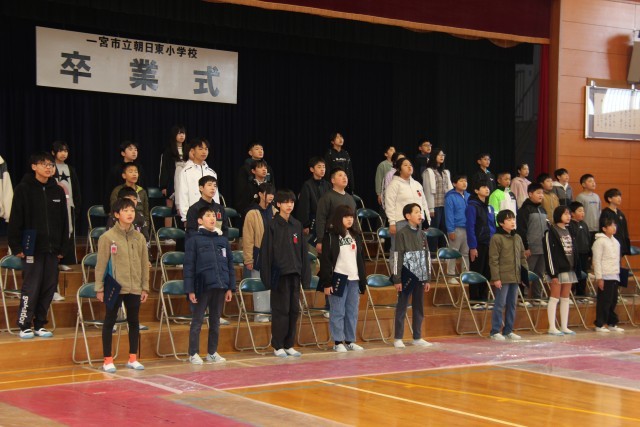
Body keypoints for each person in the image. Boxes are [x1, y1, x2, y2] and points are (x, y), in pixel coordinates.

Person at [8, 152, 69, 339]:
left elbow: (64, 221)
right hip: (32, 248)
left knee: (49, 287)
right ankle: (24, 324)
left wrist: (62, 248)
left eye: (51, 165)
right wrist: (16, 246)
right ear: (34, 167)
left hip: (52, 249)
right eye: (44, 164)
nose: (48, 167)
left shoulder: (57, 190)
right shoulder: (23, 189)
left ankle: (40, 324)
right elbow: (15, 219)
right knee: (31, 288)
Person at [95, 198, 149, 372]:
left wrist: (145, 287)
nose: (130, 214)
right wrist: (99, 288)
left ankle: (133, 358)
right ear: (117, 215)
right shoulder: (107, 237)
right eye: (125, 211)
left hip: (134, 286)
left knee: (134, 321)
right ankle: (108, 360)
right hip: (115, 286)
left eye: (132, 210)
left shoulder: (139, 237)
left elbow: (144, 263)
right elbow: (101, 264)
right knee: (110, 321)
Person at [260, 189, 311, 357]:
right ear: (278, 204)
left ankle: (289, 344)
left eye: (292, 202)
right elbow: (266, 252)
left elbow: (303, 252)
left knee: (294, 310)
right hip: (279, 275)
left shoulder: (296, 224)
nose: (289, 205)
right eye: (286, 202)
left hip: (294, 273)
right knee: (280, 310)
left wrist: (305, 275)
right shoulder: (272, 225)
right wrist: (267, 277)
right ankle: (278, 345)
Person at [184, 206, 235, 364]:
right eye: (208, 215)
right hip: (201, 287)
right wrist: (190, 290)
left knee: (215, 321)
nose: (212, 218)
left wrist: (230, 287)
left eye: (214, 215)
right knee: (197, 321)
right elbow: (189, 267)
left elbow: (229, 264)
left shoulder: (222, 240)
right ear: (200, 220)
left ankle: (212, 352)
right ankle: (193, 353)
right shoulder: (194, 240)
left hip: (220, 286)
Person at [319, 205, 367, 352]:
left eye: (351, 217)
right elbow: (326, 261)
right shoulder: (330, 236)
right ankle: (338, 342)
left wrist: (362, 279)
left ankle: (350, 340)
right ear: (339, 218)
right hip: (338, 278)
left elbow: (361, 259)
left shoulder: (356, 235)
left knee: (352, 311)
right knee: (338, 311)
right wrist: (327, 283)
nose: (349, 219)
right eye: (346, 217)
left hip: (354, 278)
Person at [391, 203, 432, 348]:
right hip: (407, 276)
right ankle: (398, 337)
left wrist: (427, 278)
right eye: (416, 212)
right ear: (408, 216)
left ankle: (417, 336)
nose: (420, 215)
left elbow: (427, 256)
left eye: (420, 212)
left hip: (420, 276)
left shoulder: (422, 234)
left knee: (418, 306)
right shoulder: (402, 234)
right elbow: (398, 256)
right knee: (402, 306)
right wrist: (397, 278)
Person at [489, 209, 528, 340]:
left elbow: (522, 257)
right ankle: (495, 331)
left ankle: (508, 330)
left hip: (515, 276)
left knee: (512, 304)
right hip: (503, 277)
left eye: (513, 219)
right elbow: (493, 260)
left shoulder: (517, 237)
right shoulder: (496, 238)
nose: (512, 222)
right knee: (500, 304)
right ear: (501, 223)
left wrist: (524, 275)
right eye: (508, 219)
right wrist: (496, 278)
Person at [543, 206, 578, 336]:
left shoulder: (569, 230)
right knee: (554, 298)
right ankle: (552, 327)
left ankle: (564, 326)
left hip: (569, 269)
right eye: (565, 214)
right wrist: (553, 274)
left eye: (569, 214)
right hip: (557, 271)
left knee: (565, 298)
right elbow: (549, 254)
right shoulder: (551, 232)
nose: (568, 216)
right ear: (558, 215)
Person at [384, 157, 429, 256]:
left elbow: (423, 203)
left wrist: (426, 219)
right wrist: (392, 222)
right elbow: (389, 204)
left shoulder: (417, 184)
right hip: (401, 222)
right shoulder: (394, 184)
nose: (409, 167)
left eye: (410, 165)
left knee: (416, 250)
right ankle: (396, 267)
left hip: (417, 222)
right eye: (405, 165)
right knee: (398, 250)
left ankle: (414, 267)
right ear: (399, 169)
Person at [516, 183, 548, 306]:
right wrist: (525, 247)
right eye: (538, 193)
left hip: (542, 248)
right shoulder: (525, 210)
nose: (541, 195)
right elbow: (521, 230)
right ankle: (522, 297)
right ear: (530, 194)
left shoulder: (542, 210)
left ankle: (537, 297)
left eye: (542, 193)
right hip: (530, 248)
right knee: (526, 272)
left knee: (539, 273)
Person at [465, 178, 496, 307]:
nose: (487, 189)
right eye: (483, 187)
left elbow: (492, 225)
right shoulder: (472, 206)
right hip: (478, 244)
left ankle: (484, 298)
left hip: (490, 243)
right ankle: (474, 300)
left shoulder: (490, 207)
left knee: (487, 272)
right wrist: (473, 247)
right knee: (476, 271)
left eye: (488, 187)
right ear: (476, 190)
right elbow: (470, 227)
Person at [51, 141, 81, 269]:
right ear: (53, 152)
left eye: (66, 151)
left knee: (69, 232)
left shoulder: (70, 169)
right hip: (54, 207)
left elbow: (76, 190)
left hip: (69, 206)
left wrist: (76, 207)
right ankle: (54, 261)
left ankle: (68, 261)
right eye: (60, 151)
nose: (64, 153)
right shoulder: (50, 168)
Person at [592, 217, 624, 333]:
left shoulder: (616, 242)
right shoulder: (599, 242)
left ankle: (611, 323)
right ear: (604, 228)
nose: (614, 227)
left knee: (613, 300)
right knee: (604, 301)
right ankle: (599, 324)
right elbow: (597, 260)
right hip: (605, 275)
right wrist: (599, 277)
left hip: (614, 274)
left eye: (615, 225)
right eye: (611, 225)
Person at [315, 168, 358, 254]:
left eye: (345, 175)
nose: (344, 178)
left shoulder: (350, 198)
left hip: (349, 238)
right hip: (332, 237)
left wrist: (356, 237)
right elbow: (321, 219)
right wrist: (320, 240)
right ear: (333, 180)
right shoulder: (327, 197)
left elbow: (355, 219)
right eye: (340, 175)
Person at [176, 138, 219, 224]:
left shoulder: (212, 172)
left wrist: (217, 215)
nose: (204, 152)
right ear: (192, 151)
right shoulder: (186, 172)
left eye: (206, 149)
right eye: (200, 149)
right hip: (193, 216)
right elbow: (183, 195)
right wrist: (185, 218)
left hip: (211, 218)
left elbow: (215, 196)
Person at [243, 183, 277, 279]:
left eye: (272, 193)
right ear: (260, 194)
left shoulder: (276, 212)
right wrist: (249, 259)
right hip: (258, 256)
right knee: (258, 285)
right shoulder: (252, 213)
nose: (271, 196)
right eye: (268, 193)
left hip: (273, 256)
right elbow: (248, 239)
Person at [295, 156, 331, 248]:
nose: (322, 169)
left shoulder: (328, 185)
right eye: (319, 167)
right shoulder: (307, 185)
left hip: (326, 221)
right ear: (312, 169)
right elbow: (304, 206)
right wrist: (305, 225)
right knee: (312, 248)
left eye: (324, 167)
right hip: (313, 222)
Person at [422, 147, 452, 250]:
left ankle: (443, 252)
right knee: (434, 230)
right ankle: (432, 253)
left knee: (444, 229)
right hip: (434, 206)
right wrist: (430, 208)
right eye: (440, 155)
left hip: (445, 205)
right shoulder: (429, 171)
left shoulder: (445, 172)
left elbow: (449, 189)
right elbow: (427, 191)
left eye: (443, 155)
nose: (442, 157)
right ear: (434, 156)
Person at [104, 141, 146, 214]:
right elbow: (110, 190)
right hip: (120, 207)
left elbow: (144, 186)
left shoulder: (139, 168)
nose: (134, 152)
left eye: (135, 150)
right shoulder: (116, 170)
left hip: (137, 207)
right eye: (130, 149)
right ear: (123, 153)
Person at [235, 141, 275, 215]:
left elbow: (272, 185)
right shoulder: (245, 168)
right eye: (257, 149)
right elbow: (241, 190)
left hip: (267, 205)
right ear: (250, 153)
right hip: (250, 205)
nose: (260, 151)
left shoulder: (268, 168)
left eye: (262, 149)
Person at [159, 125, 187, 227]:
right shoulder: (168, 151)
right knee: (169, 209)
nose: (181, 135)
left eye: (183, 133)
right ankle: (167, 233)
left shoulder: (189, 150)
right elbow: (164, 169)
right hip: (172, 183)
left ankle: (186, 231)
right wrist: (164, 186)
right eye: (179, 133)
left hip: (185, 183)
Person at [109, 163, 151, 230]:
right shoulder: (118, 190)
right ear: (124, 175)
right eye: (131, 172)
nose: (134, 174)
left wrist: (146, 227)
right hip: (122, 225)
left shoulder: (142, 191)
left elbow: (146, 212)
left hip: (139, 225)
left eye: (136, 172)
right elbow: (113, 210)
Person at [185, 176, 228, 240]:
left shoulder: (220, 208)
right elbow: (191, 231)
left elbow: (225, 230)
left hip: (218, 243)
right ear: (201, 188)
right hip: (200, 243)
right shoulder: (194, 209)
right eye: (209, 185)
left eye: (215, 186)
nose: (213, 188)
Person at [444, 174, 470, 280]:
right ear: (454, 184)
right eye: (461, 181)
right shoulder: (450, 197)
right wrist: (451, 230)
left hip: (467, 228)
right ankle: (451, 276)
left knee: (466, 253)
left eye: (465, 181)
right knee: (453, 253)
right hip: (456, 228)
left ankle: (466, 275)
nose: (464, 183)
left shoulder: (469, 196)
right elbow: (449, 215)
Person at [567, 201, 591, 301]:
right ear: (572, 213)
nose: (582, 213)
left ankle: (581, 295)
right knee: (574, 274)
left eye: (583, 211)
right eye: (580, 211)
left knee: (583, 274)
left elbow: (588, 238)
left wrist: (589, 253)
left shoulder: (584, 224)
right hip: (575, 254)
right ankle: (570, 294)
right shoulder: (569, 225)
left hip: (584, 253)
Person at [599, 188, 631, 257]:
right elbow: (603, 229)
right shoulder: (605, 213)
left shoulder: (620, 213)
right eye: (616, 196)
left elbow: (625, 230)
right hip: (610, 244)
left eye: (620, 196)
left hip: (620, 243)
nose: (619, 198)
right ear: (609, 199)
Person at [575, 174, 601, 242]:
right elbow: (577, 213)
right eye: (590, 181)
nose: (593, 183)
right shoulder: (580, 197)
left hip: (597, 228)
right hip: (585, 228)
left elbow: (599, 211)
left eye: (594, 181)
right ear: (583, 184)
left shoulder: (596, 196)